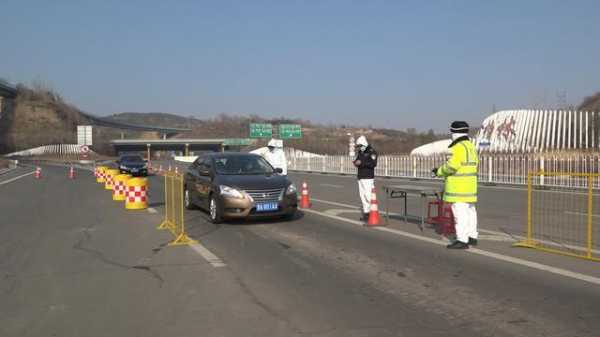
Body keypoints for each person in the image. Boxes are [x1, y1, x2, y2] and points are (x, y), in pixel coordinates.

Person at [433, 121, 479, 249]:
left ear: (454, 133)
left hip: (458, 187)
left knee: (460, 213)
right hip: (470, 186)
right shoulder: (470, 146)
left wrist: (439, 171)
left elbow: (452, 166)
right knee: (470, 211)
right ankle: (472, 237)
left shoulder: (458, 147)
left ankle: (462, 240)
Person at [353, 136, 378, 221]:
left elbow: (373, 164)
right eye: (358, 146)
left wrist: (362, 163)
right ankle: (366, 213)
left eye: (360, 146)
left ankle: (373, 212)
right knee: (362, 196)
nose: (359, 148)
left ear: (363, 144)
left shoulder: (371, 151)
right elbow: (357, 160)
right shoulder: (361, 151)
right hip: (360, 176)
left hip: (368, 177)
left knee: (368, 195)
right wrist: (356, 163)